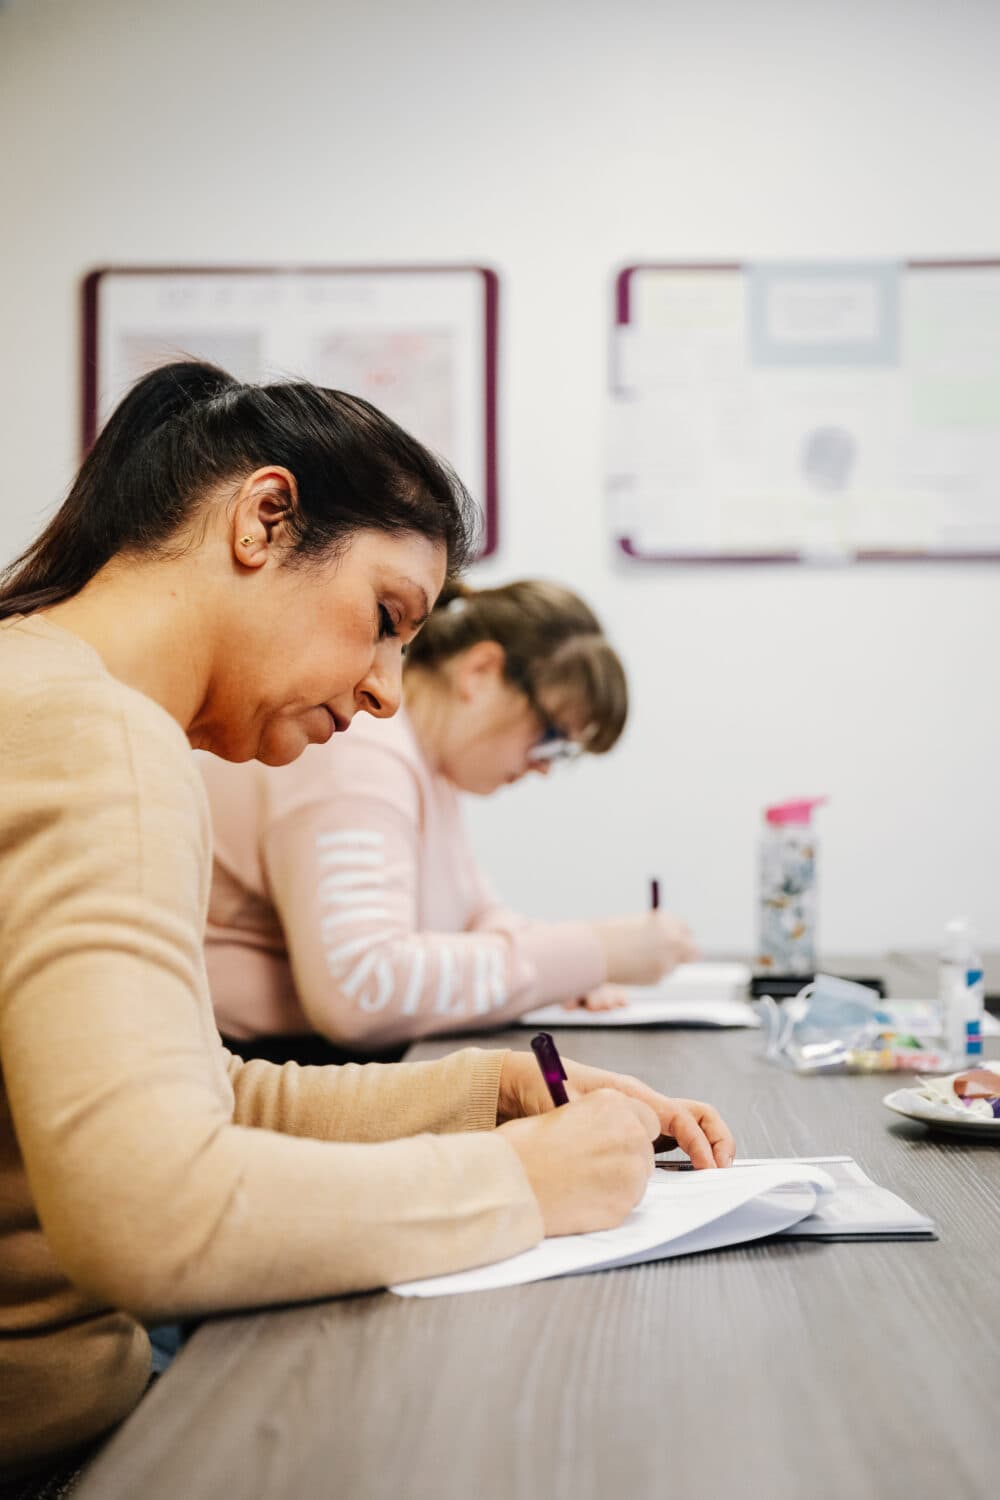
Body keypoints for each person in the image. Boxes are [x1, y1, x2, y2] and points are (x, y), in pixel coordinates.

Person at [0, 360, 735, 1491]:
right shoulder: (101, 742)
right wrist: (525, 1188)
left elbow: (190, 1096)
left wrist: (481, 1090)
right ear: (263, 518)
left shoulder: (37, 688)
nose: (390, 690)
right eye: (385, 619)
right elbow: (148, 1205)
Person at [201, 579, 698, 1061]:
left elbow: (473, 914)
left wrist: (568, 971)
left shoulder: (426, 759)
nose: (544, 766)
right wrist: (594, 953)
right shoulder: (362, 752)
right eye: (549, 736)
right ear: (480, 671)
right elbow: (358, 991)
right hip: (243, 1069)